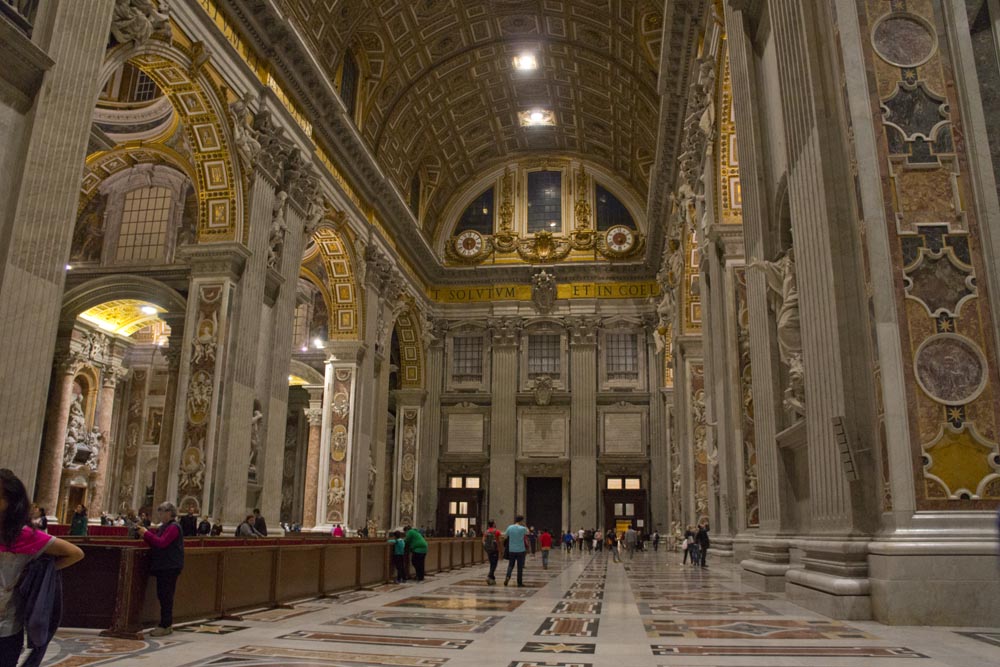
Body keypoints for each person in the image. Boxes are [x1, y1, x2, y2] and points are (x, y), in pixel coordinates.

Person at [0, 469, 84, 667]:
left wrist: (39, 573)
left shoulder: (26, 536)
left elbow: (76, 553)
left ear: (10, 502)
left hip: (5, 625)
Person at [138, 502, 184, 636]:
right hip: (164, 565)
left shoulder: (174, 527)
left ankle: (165, 625)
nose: (160, 515)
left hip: (170, 566)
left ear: (169, 513)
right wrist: (144, 535)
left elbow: (162, 543)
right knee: (162, 595)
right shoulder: (165, 526)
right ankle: (165, 624)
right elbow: (156, 542)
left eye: (161, 512)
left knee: (166, 595)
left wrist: (146, 534)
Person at [502, 515, 528, 587]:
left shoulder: (510, 527)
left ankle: (508, 576)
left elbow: (505, 536)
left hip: (512, 550)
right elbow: (528, 532)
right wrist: (525, 525)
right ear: (521, 521)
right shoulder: (523, 528)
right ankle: (519, 583)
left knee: (511, 565)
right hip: (521, 550)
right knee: (520, 567)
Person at [482, 519, 502, 584]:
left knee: (491, 563)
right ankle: (489, 576)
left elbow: (483, 541)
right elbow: (499, 541)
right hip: (495, 550)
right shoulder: (497, 531)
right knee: (494, 564)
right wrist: (500, 550)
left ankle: (492, 578)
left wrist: (486, 548)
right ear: (493, 524)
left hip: (489, 550)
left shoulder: (486, 531)